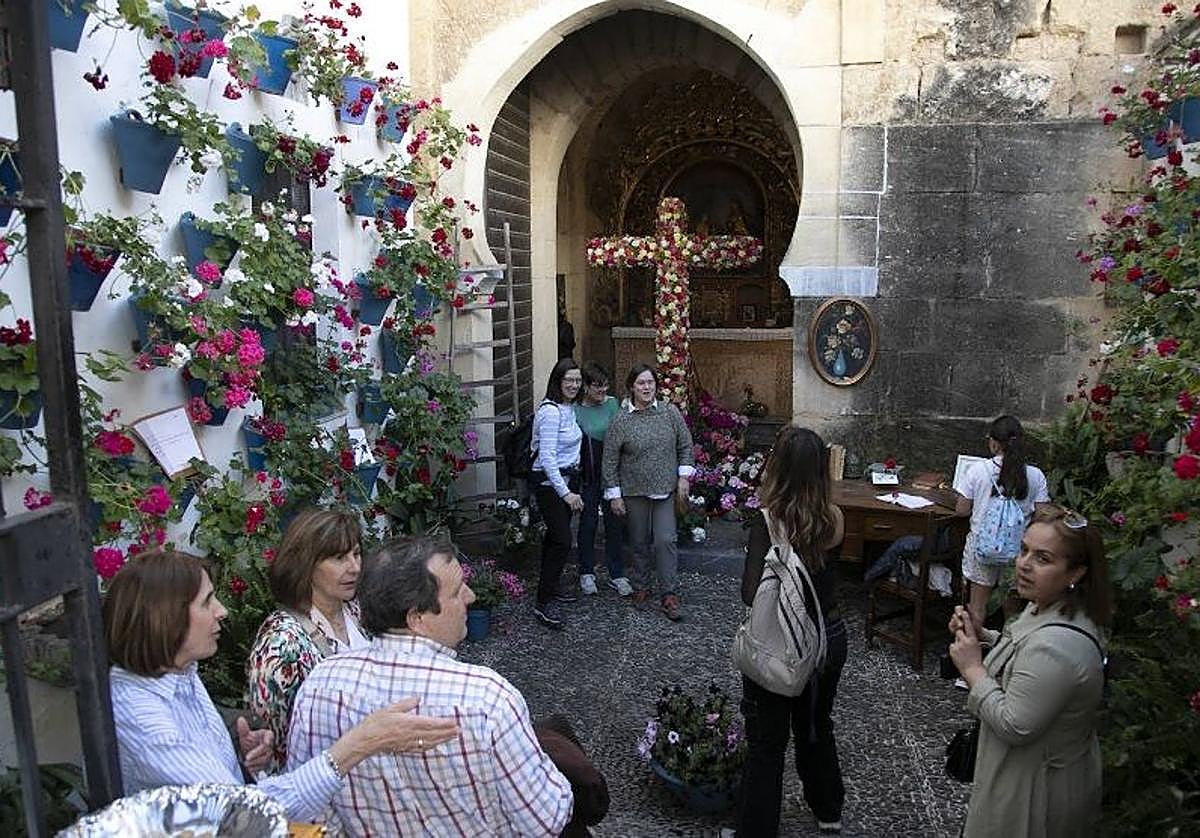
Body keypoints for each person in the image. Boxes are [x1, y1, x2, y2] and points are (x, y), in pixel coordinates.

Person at [104, 550, 458, 822]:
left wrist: (240, 756)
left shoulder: (180, 673)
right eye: (207, 601)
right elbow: (243, 813)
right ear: (165, 617)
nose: (223, 611)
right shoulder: (139, 713)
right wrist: (361, 743)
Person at [288, 536, 607, 836]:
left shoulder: (319, 685)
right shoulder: (488, 698)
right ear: (417, 618)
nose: (471, 595)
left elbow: (310, 806)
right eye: (456, 592)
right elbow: (545, 820)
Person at [949, 504, 1112, 838]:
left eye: (1043, 558)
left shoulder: (1057, 647)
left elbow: (1015, 723)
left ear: (1076, 573)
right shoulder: (1049, 608)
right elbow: (1026, 656)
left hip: (1033, 793)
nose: (1023, 564)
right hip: (1031, 775)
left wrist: (972, 669)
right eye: (1024, 550)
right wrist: (983, 637)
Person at [736, 425, 848, 836]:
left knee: (767, 740)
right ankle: (828, 807)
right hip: (828, 638)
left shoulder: (767, 522)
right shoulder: (834, 519)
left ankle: (757, 827)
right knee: (816, 724)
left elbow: (751, 593)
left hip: (781, 643)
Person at [247, 509, 370, 766]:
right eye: (339, 558)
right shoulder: (281, 643)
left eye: (356, 554)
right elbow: (272, 750)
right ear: (306, 563)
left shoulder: (358, 611)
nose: (354, 567)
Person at [601, 363, 695, 620]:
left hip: (665, 489)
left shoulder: (669, 412)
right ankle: (641, 587)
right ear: (632, 386)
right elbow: (609, 459)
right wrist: (615, 494)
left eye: (650, 383)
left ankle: (669, 593)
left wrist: (684, 477)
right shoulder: (621, 419)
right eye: (641, 383)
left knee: (666, 540)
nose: (646, 388)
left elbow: (685, 445)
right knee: (639, 542)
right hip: (633, 491)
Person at [955, 415, 1050, 630]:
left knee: (977, 607)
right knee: (1013, 610)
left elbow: (962, 510)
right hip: (1018, 551)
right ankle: (1008, 655)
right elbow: (1043, 514)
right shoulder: (1035, 475)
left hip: (982, 547)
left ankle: (972, 655)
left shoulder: (978, 470)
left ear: (994, 442)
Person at [530, 357, 585, 630]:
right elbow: (547, 457)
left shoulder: (569, 408)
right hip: (551, 486)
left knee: (554, 538)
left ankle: (549, 587)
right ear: (558, 381)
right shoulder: (550, 412)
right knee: (563, 540)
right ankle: (543, 602)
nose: (574, 384)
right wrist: (566, 494)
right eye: (569, 380)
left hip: (566, 481)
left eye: (577, 380)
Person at [573, 361, 629, 597]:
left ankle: (616, 573)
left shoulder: (613, 405)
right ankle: (586, 572)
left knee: (614, 523)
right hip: (588, 473)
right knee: (588, 523)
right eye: (597, 387)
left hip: (612, 472)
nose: (602, 392)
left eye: (605, 387)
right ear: (585, 387)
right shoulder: (575, 410)